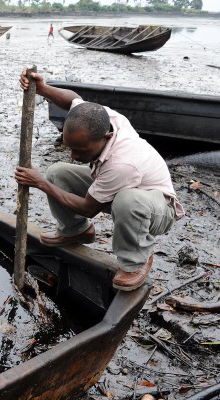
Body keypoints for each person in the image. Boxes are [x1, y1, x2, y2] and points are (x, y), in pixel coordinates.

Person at [16, 68, 185, 291]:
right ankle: (75, 231)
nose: (74, 156)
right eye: (70, 148)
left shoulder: (123, 163)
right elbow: (74, 100)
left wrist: (40, 183)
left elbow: (88, 208)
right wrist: (43, 88)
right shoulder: (100, 118)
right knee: (57, 172)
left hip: (157, 208)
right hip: (122, 188)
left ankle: (135, 262)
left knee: (128, 201)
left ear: (105, 138)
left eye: (80, 150)